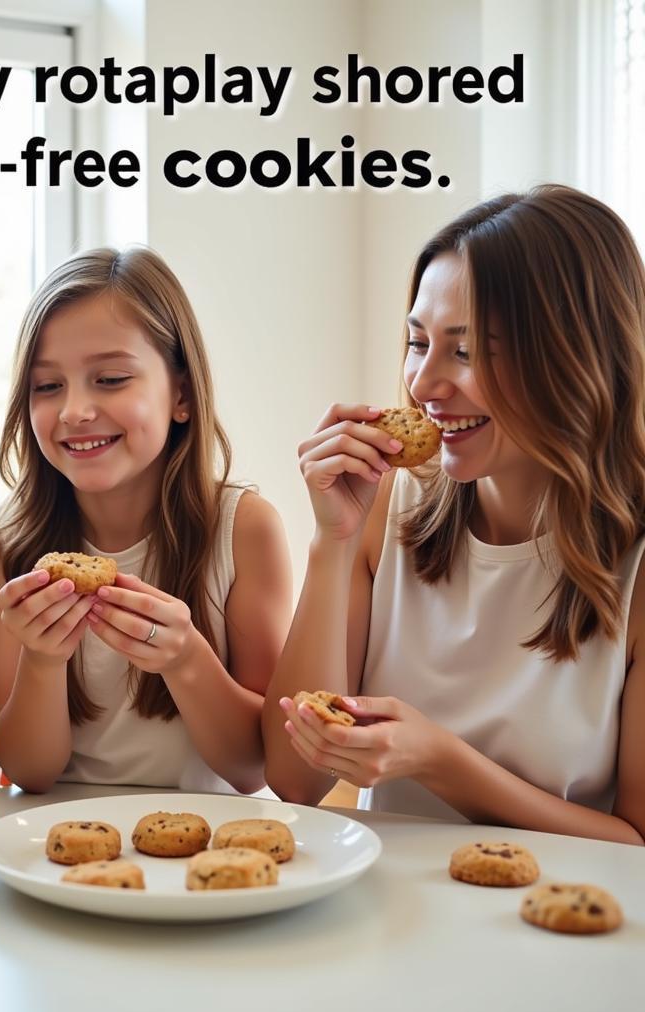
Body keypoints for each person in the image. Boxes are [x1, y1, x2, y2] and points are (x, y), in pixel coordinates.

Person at [263, 185, 645, 845]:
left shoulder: (633, 566)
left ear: (576, 357)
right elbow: (296, 780)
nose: (422, 384)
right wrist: (332, 541)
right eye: (418, 342)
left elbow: (635, 842)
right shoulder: (385, 504)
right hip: (389, 917)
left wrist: (441, 762)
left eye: (467, 351)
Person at [0, 247, 292, 794]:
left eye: (112, 379)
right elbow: (30, 771)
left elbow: (251, 767)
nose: (74, 411)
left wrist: (187, 658)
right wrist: (43, 662)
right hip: (59, 849)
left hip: (209, 848)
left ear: (182, 395)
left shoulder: (244, 530)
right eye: (48, 386)